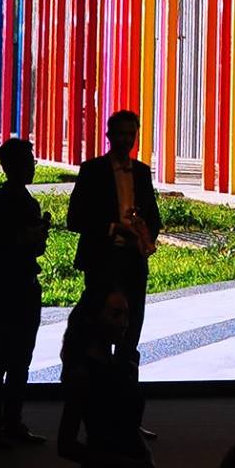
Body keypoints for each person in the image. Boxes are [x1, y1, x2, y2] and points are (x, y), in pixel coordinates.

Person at [56, 290, 154, 468]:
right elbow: (66, 445)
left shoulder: (120, 365)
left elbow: (127, 422)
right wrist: (128, 463)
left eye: (126, 314)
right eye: (116, 314)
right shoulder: (84, 374)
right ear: (93, 318)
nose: (125, 322)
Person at [0, 136, 53, 447]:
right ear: (9, 166)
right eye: (27, 162)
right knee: (3, 357)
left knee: (20, 359)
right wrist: (20, 239)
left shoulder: (29, 204)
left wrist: (37, 238)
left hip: (26, 285)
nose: (32, 167)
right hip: (8, 285)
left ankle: (11, 422)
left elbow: (36, 249)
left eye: (32, 162)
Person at [67, 110, 162, 362]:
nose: (127, 140)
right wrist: (114, 228)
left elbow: (154, 217)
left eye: (131, 134)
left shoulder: (141, 172)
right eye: (121, 134)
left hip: (133, 261)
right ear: (108, 136)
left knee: (131, 329)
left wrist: (144, 236)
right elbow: (75, 218)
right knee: (98, 328)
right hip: (102, 260)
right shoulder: (92, 170)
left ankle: (125, 379)